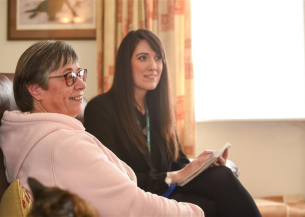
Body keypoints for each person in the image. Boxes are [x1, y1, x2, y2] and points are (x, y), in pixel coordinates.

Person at [0, 40, 204, 216]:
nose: (81, 85)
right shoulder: (62, 144)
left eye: (80, 74)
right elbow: (133, 207)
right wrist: (196, 213)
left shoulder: (26, 136)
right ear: (35, 89)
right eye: (69, 76)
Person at [84, 29, 262, 217]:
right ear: (125, 64)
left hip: (166, 191)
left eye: (158, 58)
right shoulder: (101, 108)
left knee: (221, 175)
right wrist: (174, 176)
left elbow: (178, 162)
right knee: (215, 202)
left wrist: (203, 166)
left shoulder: (156, 108)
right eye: (143, 58)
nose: (153, 66)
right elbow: (115, 178)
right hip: (137, 198)